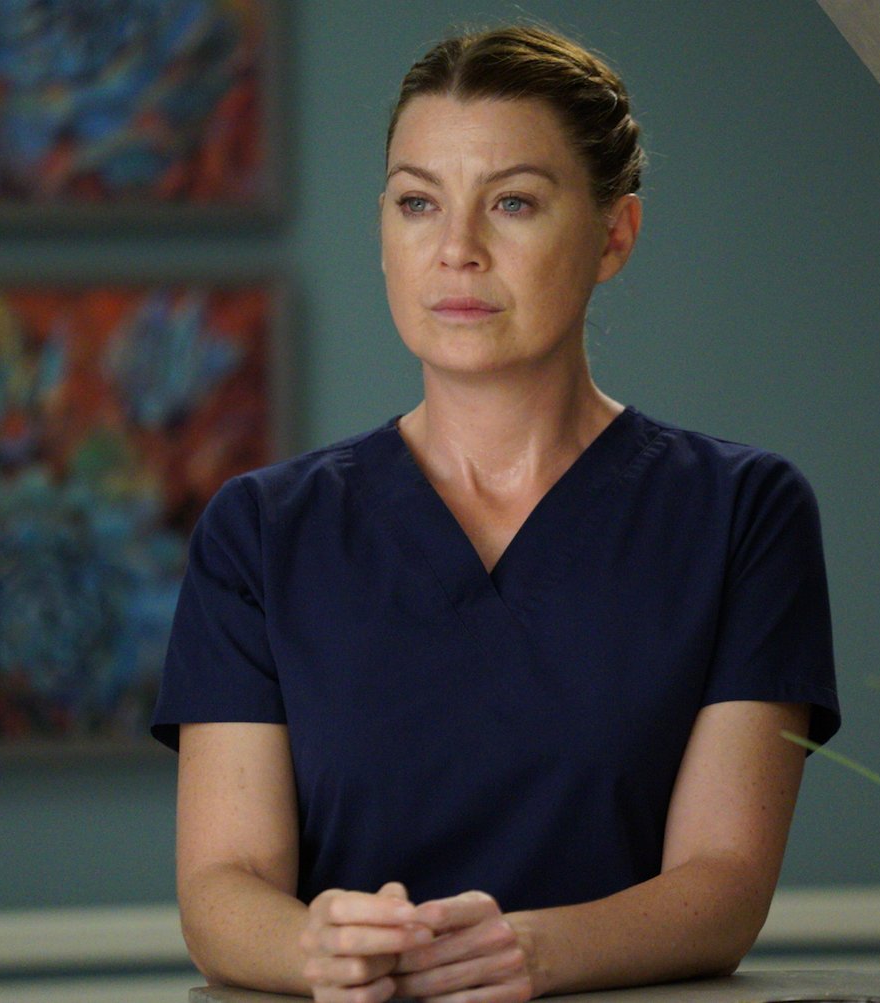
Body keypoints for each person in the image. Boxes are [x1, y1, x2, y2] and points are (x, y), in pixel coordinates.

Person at [151, 23, 839, 1003]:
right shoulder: (260, 531)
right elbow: (223, 887)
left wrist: (530, 952)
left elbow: (723, 884)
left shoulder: (743, 513)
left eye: (513, 202)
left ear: (614, 235)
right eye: (417, 202)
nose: (457, 250)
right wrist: (317, 945)